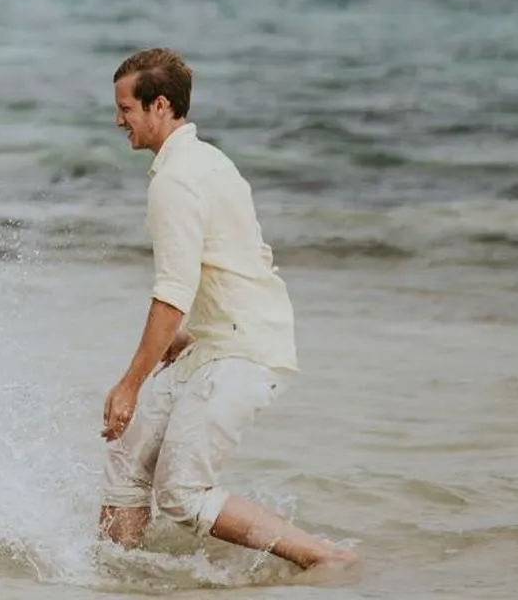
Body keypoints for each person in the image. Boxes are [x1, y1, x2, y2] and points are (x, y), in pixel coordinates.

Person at [97, 49, 356, 572]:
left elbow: (172, 291)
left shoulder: (176, 180)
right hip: (216, 340)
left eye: (125, 108)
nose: (117, 119)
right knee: (126, 462)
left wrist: (130, 383)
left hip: (242, 350)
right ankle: (113, 574)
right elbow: (232, 259)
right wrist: (184, 336)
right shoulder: (208, 160)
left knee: (182, 495)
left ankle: (326, 558)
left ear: (160, 105)